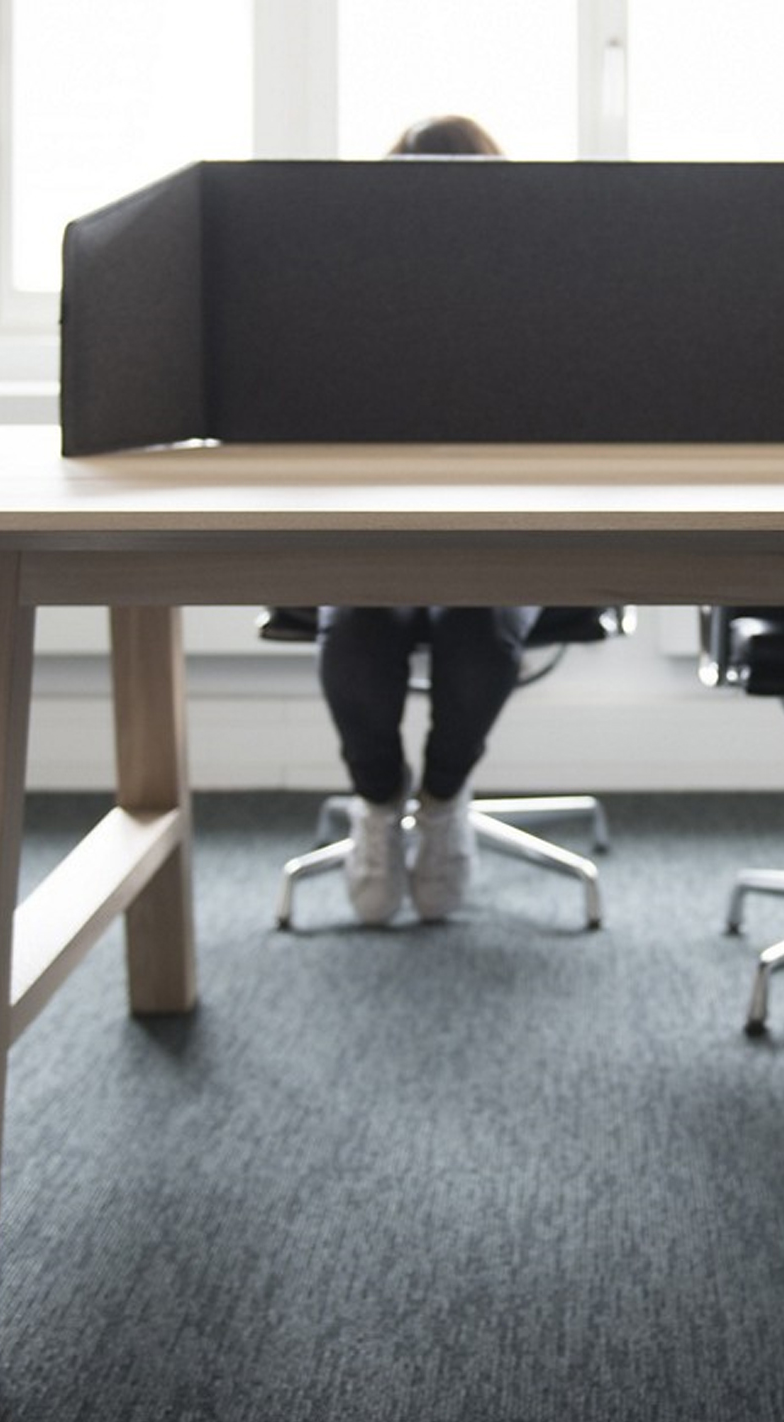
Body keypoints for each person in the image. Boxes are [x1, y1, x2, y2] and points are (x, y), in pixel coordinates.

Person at [319, 115, 539, 926]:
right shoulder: (349, 293)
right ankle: (378, 805)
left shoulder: (543, 286)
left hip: (511, 529)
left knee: (477, 623)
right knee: (357, 629)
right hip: (376, 526)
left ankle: (443, 800)